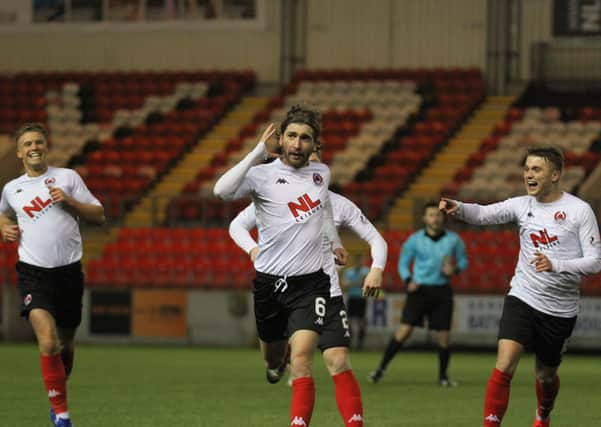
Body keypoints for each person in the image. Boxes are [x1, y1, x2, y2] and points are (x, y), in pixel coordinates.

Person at [214, 106, 360, 426]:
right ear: (280, 139)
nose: (297, 144)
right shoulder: (260, 175)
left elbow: (321, 213)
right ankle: (273, 364)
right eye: (291, 136)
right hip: (269, 284)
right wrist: (257, 151)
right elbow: (221, 191)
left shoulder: (321, 175)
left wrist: (334, 243)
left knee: (302, 359)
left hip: (311, 285)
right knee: (274, 357)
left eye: (305, 138)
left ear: (314, 145)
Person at [439, 146, 601, 427]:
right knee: (504, 365)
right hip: (523, 297)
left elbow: (595, 261)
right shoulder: (522, 205)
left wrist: (556, 264)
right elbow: (484, 214)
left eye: (536, 169)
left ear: (555, 175)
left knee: (545, 375)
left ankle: (543, 414)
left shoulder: (579, 211)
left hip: (559, 310)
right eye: (526, 169)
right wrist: (460, 208)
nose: (528, 174)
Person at [228, 148, 388, 427]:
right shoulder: (276, 197)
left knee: (337, 361)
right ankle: (276, 361)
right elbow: (236, 226)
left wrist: (376, 269)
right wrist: (254, 250)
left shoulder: (340, 205)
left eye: (315, 161)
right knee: (280, 360)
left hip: (327, 294)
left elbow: (377, 240)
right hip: (287, 291)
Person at [0, 123, 105, 427]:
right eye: (28, 144)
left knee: (65, 343)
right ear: (20, 152)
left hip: (70, 272)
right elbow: (2, 211)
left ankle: (58, 394)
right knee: (48, 343)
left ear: (46, 147)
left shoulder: (67, 177)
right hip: (33, 273)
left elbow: (100, 216)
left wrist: (69, 202)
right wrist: (2, 226)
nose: (34, 147)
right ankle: (62, 415)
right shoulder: (12, 189)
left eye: (39, 142)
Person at [369, 201, 468, 386]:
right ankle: (380, 369)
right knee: (404, 331)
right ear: (424, 218)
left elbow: (463, 262)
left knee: (444, 335)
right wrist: (408, 280)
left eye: (437, 215)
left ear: (443, 217)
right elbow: (403, 263)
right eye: (431, 215)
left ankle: (443, 377)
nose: (435, 218)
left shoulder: (454, 240)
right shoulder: (414, 240)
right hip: (419, 290)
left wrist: (454, 270)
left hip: (442, 291)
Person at [342, 254, 370, 350]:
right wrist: (359, 282)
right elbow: (345, 285)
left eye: (360, 260)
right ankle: (349, 343)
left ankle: (360, 344)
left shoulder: (366, 271)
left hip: (361, 299)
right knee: (349, 321)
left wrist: (352, 283)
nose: (359, 263)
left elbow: (367, 284)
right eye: (358, 260)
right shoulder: (349, 271)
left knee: (361, 321)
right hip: (352, 298)